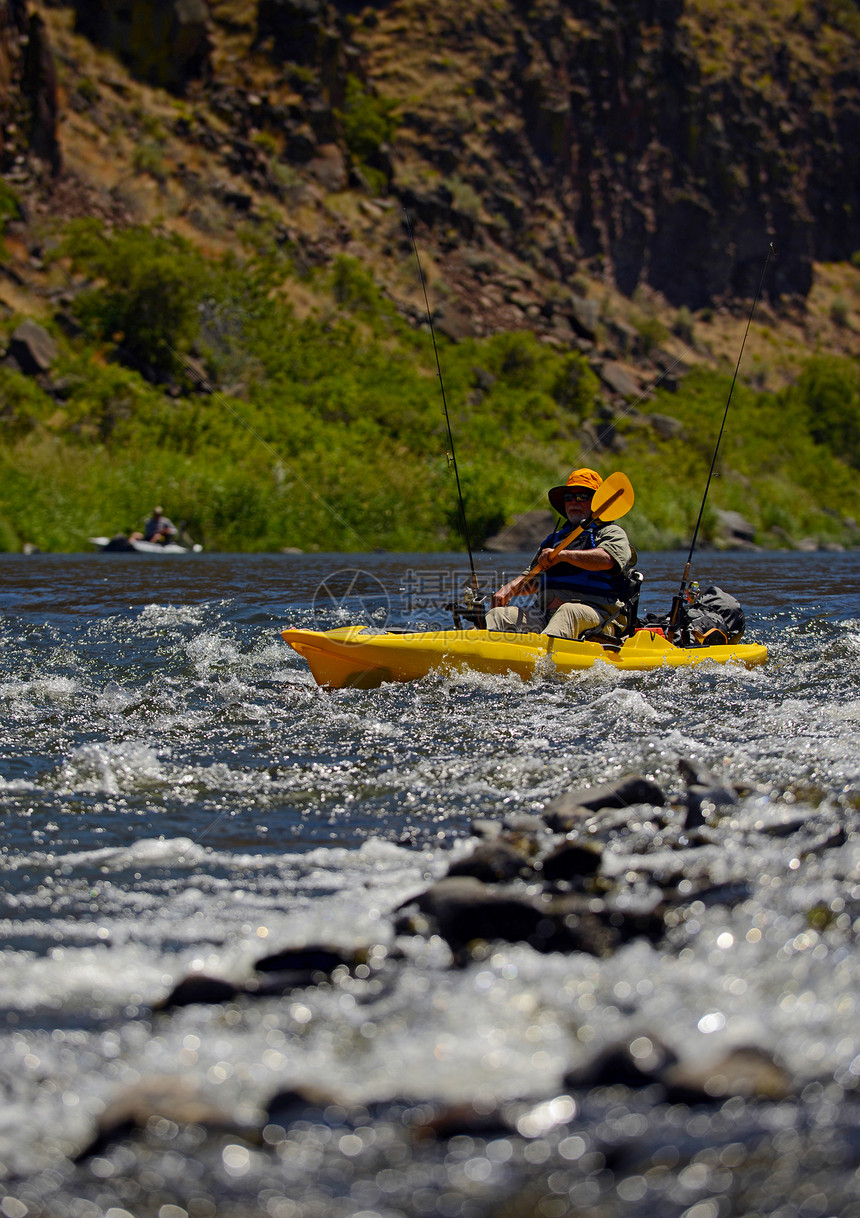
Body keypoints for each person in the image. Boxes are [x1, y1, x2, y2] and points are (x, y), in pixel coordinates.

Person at [485, 468, 633, 640]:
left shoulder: (611, 533)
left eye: (581, 497)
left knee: (567, 612)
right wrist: (508, 590)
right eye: (568, 497)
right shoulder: (554, 540)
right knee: (499, 616)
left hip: (598, 618)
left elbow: (607, 560)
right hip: (543, 615)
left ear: (596, 501)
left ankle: (542, 662)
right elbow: (533, 578)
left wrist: (564, 555)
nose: (573, 502)